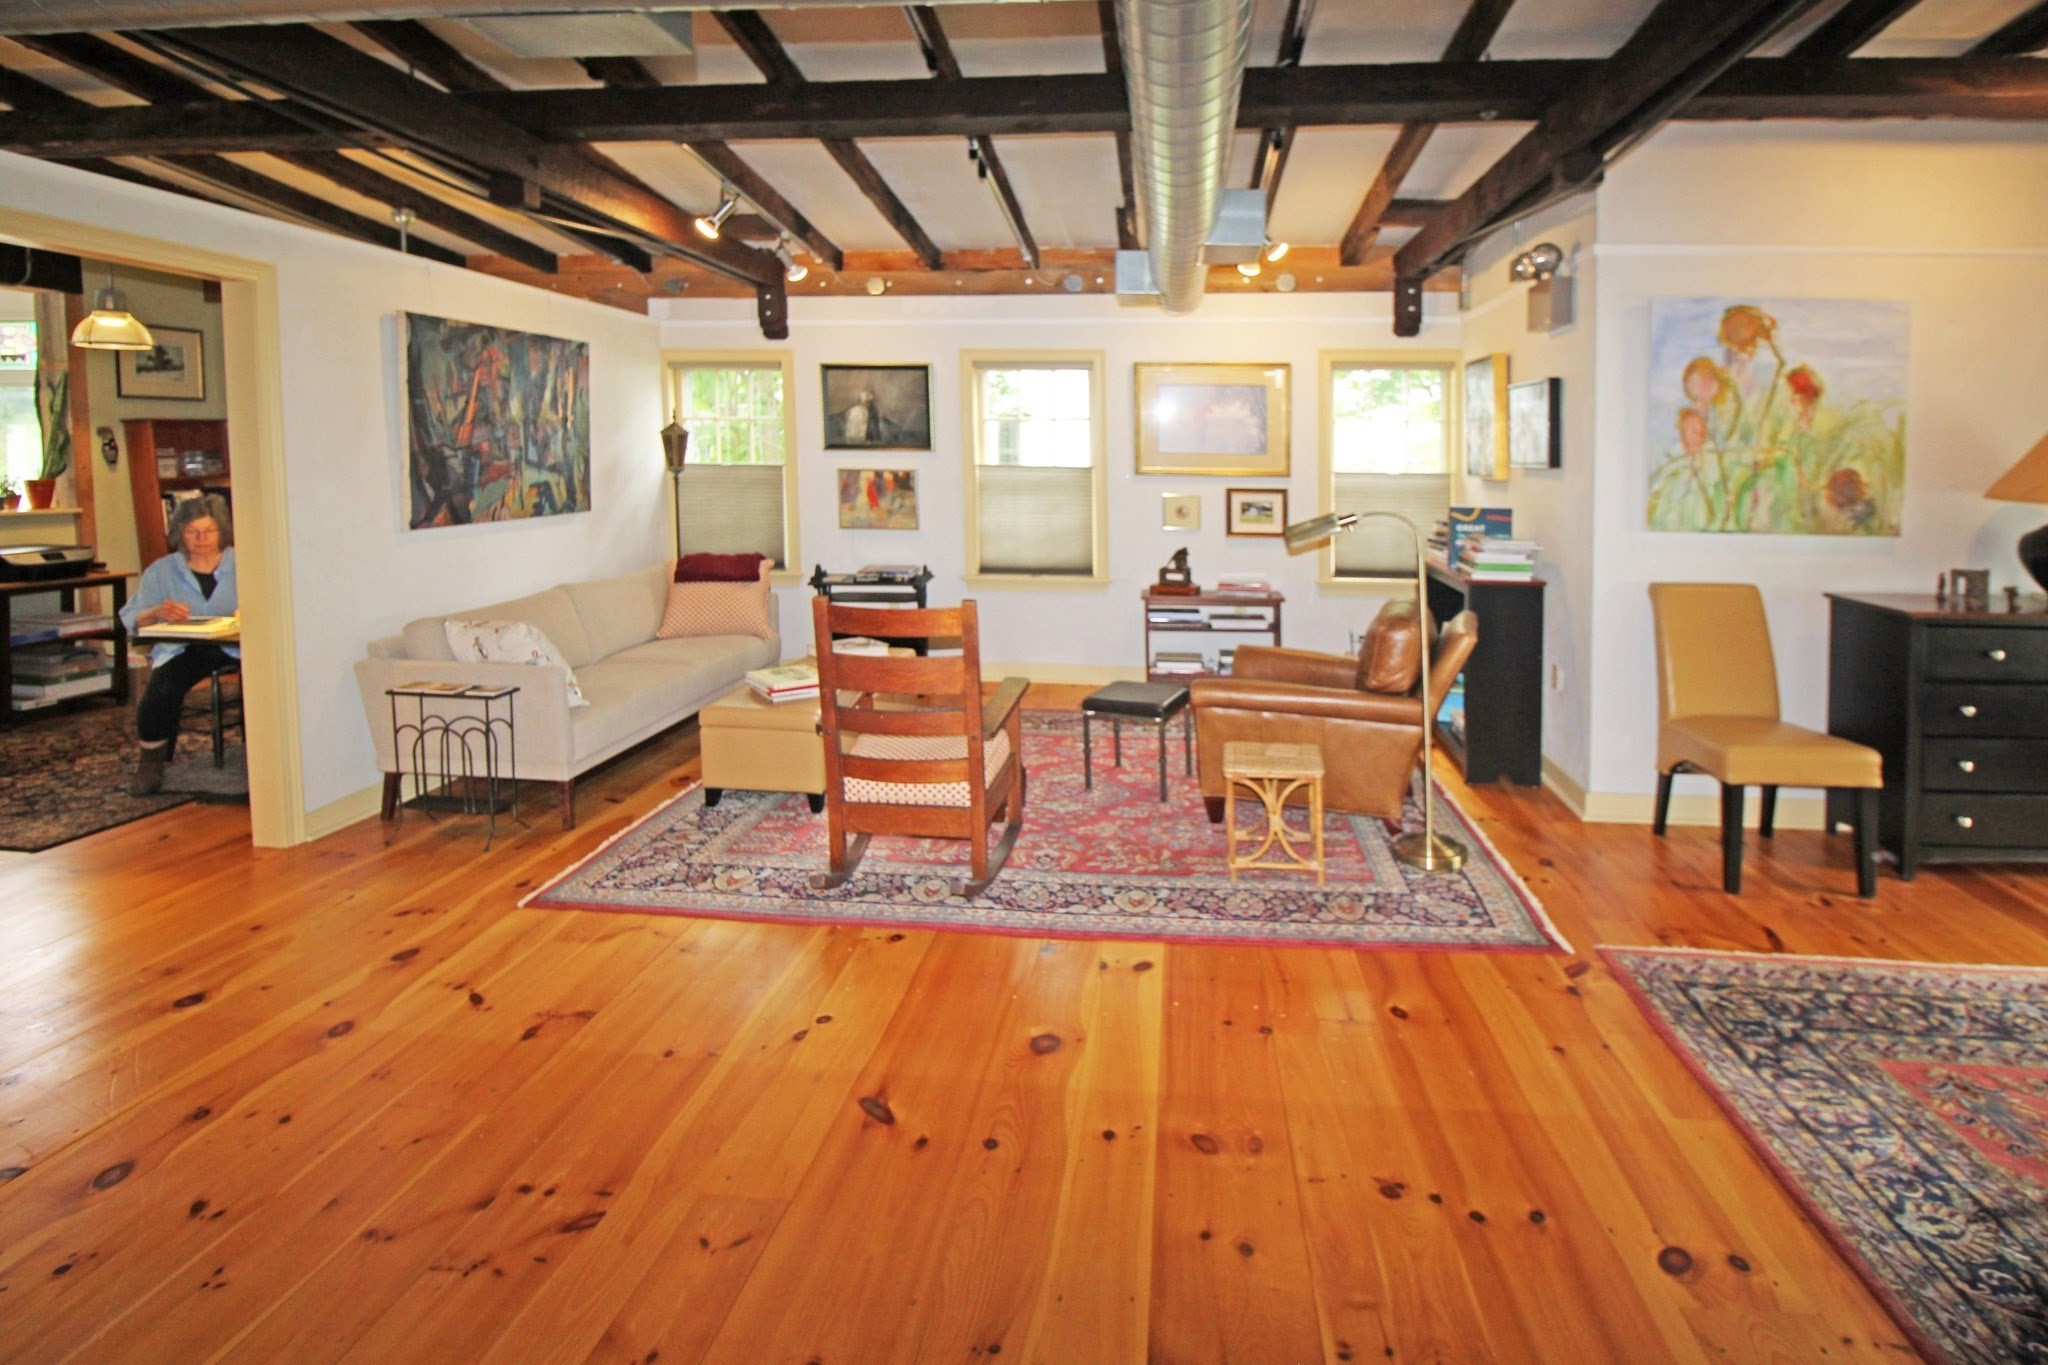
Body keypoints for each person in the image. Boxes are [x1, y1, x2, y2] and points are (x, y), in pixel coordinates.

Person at [118, 494, 239, 795]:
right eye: (192, 532)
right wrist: (156, 612)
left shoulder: (244, 562)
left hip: (239, 647)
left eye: (209, 531)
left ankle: (261, 755)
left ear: (221, 530)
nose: (202, 539)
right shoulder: (162, 570)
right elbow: (132, 616)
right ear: (180, 534)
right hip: (186, 648)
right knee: (162, 686)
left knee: (263, 682)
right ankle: (151, 763)